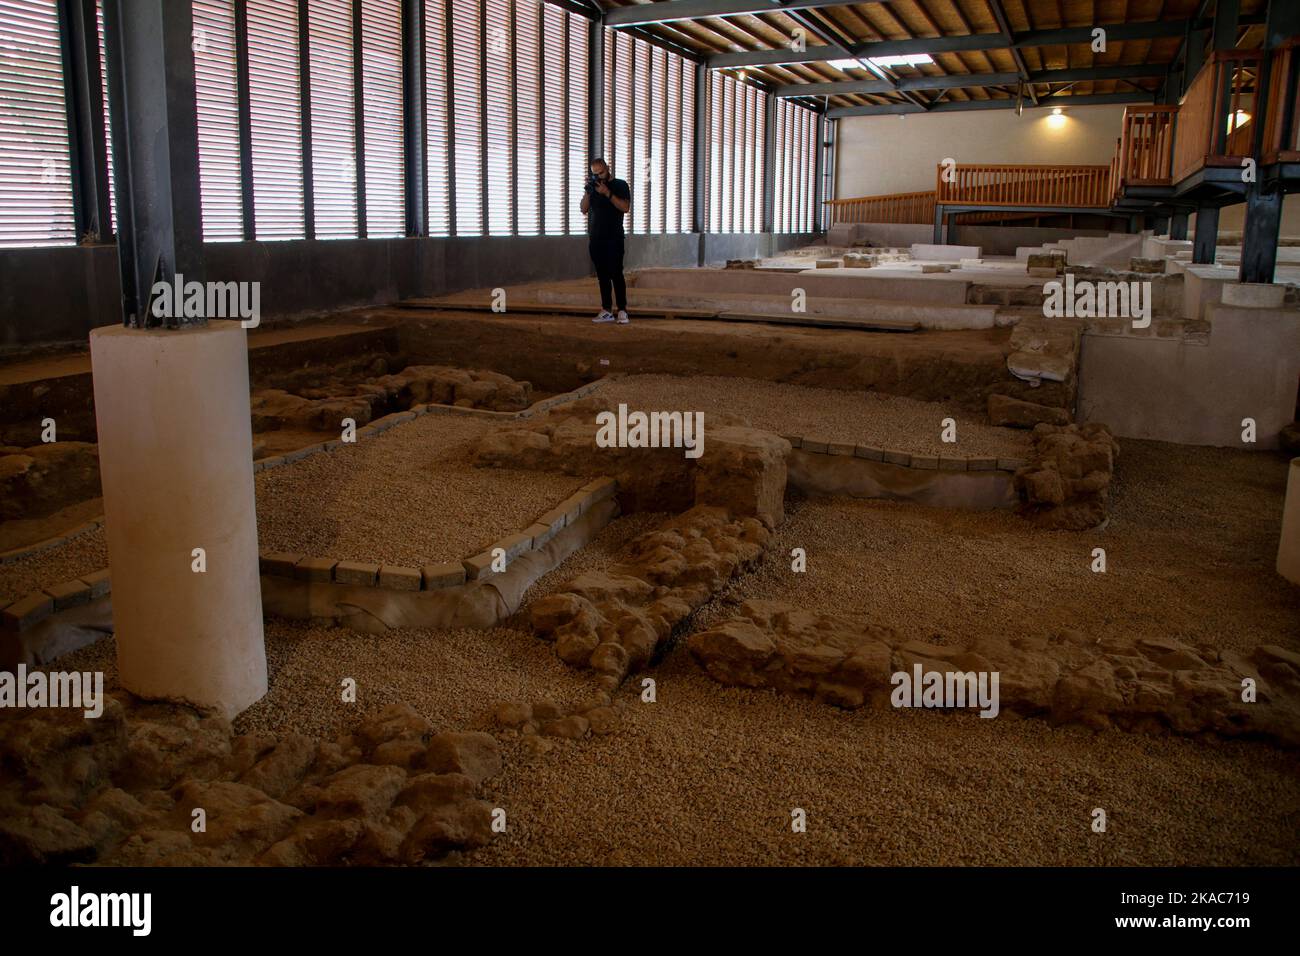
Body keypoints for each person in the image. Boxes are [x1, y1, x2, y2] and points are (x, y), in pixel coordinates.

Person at [580, 158, 632, 324]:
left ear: (608, 168)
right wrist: (588, 192)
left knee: (616, 273)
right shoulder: (593, 188)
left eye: (601, 173)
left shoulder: (620, 185)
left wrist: (607, 193)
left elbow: (625, 207)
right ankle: (606, 309)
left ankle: (622, 310)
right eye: (595, 174)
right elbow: (583, 209)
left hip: (614, 237)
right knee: (602, 275)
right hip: (596, 238)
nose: (599, 177)